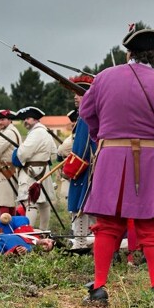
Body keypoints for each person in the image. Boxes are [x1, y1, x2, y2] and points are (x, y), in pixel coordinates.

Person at [80, 27, 154, 305]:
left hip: (109, 158)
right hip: (150, 160)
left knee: (107, 225)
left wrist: (103, 137)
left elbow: (86, 113)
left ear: (129, 52)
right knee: (151, 226)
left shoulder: (103, 77)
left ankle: (99, 287)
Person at [61, 75, 97, 251]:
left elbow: (81, 147)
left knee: (80, 205)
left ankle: (81, 242)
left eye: (78, 93)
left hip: (86, 168)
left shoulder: (85, 114)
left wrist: (71, 169)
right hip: (94, 165)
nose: (75, 97)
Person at [12, 107, 57, 231]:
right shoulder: (44, 131)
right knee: (43, 204)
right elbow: (54, 150)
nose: (25, 121)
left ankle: (28, 233)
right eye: (25, 119)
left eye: (28, 118)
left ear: (35, 119)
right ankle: (43, 231)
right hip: (43, 170)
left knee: (30, 202)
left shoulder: (36, 132)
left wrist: (16, 153)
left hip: (32, 170)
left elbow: (22, 153)